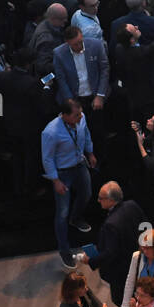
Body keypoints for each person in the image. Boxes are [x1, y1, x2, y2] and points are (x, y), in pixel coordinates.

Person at [41, 99, 97, 269]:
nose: (80, 117)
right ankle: (64, 250)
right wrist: (55, 180)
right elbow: (47, 158)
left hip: (79, 164)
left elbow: (85, 134)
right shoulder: (51, 132)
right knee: (62, 213)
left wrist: (90, 152)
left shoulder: (81, 118)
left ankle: (76, 218)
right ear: (64, 115)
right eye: (76, 115)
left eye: (80, 113)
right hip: (62, 172)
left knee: (86, 194)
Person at [87, 181, 148, 307]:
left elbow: (110, 253)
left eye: (101, 198)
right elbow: (146, 226)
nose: (98, 201)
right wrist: (148, 250)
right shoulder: (132, 205)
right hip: (141, 260)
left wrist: (91, 261)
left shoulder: (110, 224)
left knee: (121, 299)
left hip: (122, 270)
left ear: (110, 200)